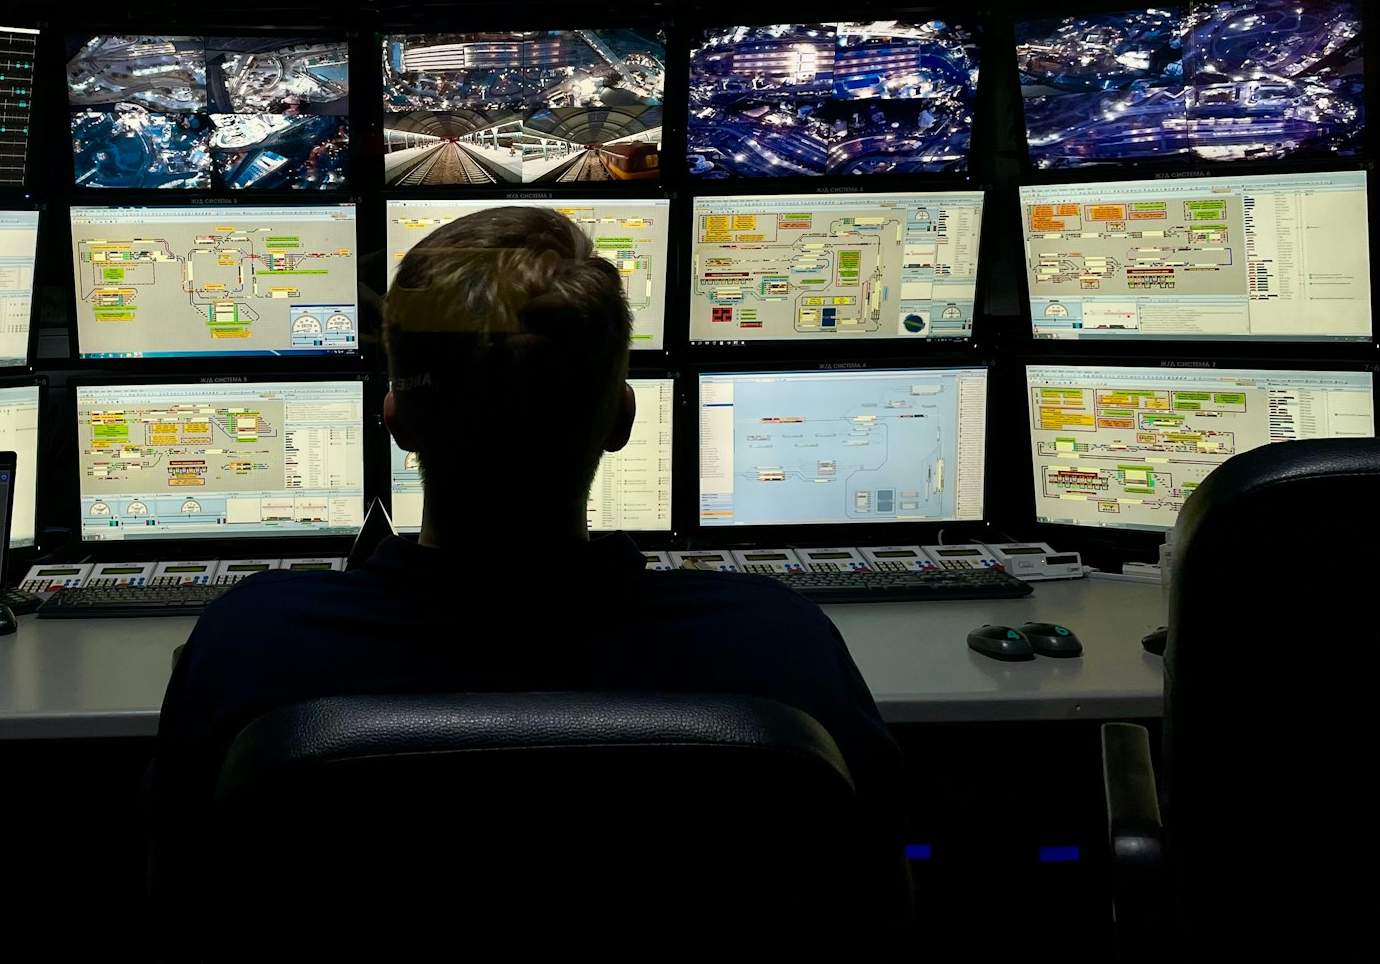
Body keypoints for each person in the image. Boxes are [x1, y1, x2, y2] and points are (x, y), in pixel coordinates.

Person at [149, 205, 905, 869]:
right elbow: (878, 891)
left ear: (397, 421)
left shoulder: (251, 642)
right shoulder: (779, 641)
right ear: (622, 421)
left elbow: (180, 898)